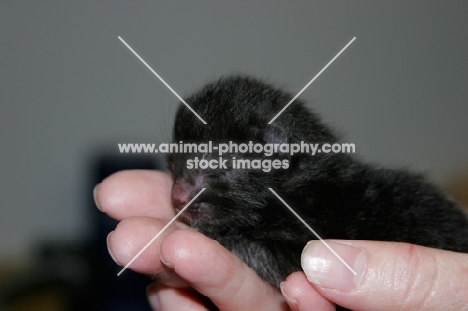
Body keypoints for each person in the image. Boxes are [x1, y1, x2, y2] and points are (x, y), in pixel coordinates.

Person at [94, 170, 468, 311]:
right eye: (179, 167)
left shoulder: (313, 209)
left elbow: (287, 259)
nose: (179, 192)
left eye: (210, 167)